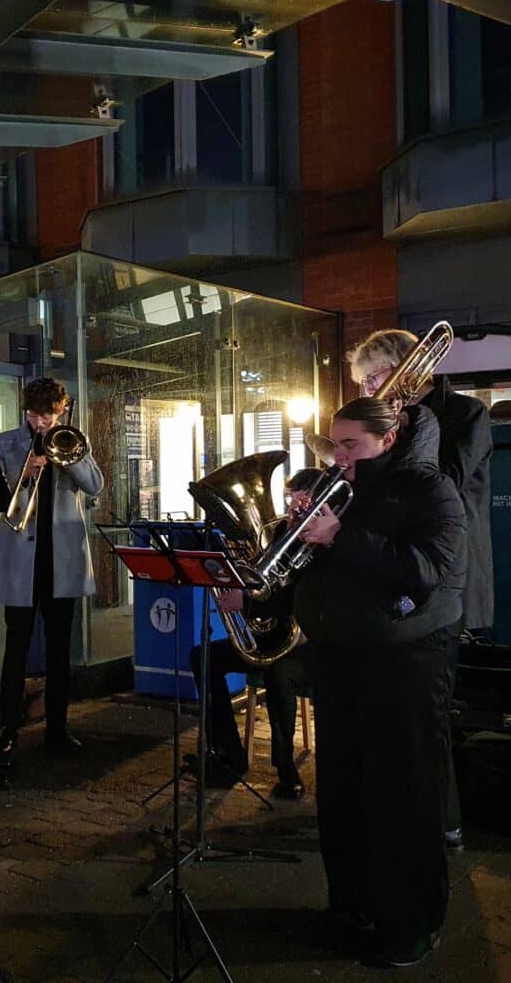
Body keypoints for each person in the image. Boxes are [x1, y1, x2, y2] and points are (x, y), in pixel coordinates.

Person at [293, 396, 466, 967]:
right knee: (342, 793)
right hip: (340, 656)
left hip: (406, 659)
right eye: (334, 443)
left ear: (387, 440)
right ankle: (352, 907)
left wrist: (339, 537)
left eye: (351, 446)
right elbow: (315, 570)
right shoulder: (335, 488)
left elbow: (424, 571)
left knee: (402, 795)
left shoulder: (430, 490)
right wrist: (293, 538)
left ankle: (413, 923)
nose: (337, 456)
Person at [348, 328, 493, 851]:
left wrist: (401, 430)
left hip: (447, 575)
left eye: (375, 377)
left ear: (407, 368)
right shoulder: (389, 419)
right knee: (405, 708)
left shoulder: (466, 415)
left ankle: (445, 823)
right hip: (401, 573)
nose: (371, 389)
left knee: (434, 709)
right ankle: (405, 814)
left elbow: (443, 482)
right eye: (365, 381)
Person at [0, 378, 103, 760]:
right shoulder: (5, 442)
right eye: (35, 415)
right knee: (16, 645)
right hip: (21, 558)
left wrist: (67, 457)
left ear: (61, 411)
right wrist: (28, 468)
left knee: (58, 647)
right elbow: (0, 496)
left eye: (48, 416)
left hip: (61, 560)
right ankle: (7, 730)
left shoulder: (72, 439)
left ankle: (58, 727)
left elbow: (95, 485)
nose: (40, 423)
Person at [188, 469, 317, 796]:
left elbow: (299, 602)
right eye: (290, 501)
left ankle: (286, 770)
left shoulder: (322, 544)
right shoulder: (277, 536)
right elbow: (261, 585)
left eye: (301, 501)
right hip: (270, 639)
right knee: (202, 656)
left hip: (306, 647)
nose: (292, 510)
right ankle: (228, 754)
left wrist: (247, 601)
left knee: (279, 675)